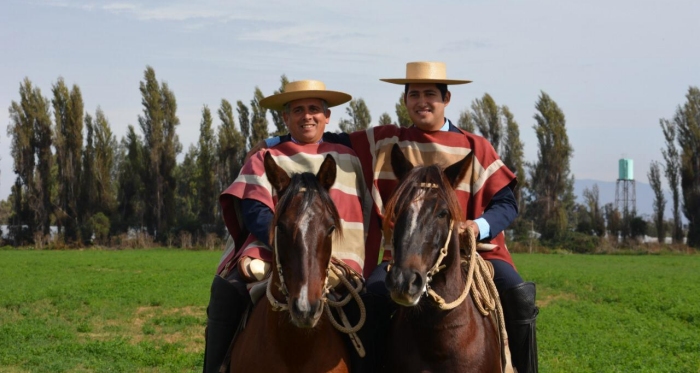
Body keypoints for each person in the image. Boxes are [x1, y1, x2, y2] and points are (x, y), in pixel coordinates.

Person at [260, 62, 539, 373]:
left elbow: (506, 202)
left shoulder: (475, 146)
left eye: (430, 94)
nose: (422, 101)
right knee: (371, 302)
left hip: (473, 254)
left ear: (446, 100)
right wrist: (273, 142)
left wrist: (477, 227)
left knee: (518, 293)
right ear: (405, 101)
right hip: (401, 256)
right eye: (414, 94)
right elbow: (327, 139)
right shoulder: (386, 141)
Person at [203, 80, 371, 373]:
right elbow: (254, 210)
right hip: (274, 250)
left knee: (369, 307)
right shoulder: (265, 157)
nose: (307, 116)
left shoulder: (348, 154)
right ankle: (215, 367)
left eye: (314, 109)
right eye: (298, 110)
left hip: (339, 257)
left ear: (326, 116)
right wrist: (292, 242)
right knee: (227, 291)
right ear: (285, 118)